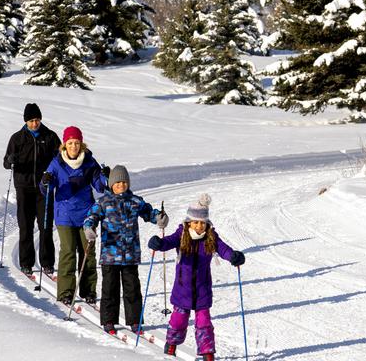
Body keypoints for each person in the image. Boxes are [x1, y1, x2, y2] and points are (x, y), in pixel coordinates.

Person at [148, 193, 245, 359]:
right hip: (182, 289)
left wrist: (233, 256)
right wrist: (159, 243)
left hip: (202, 290)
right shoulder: (181, 234)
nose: (199, 226)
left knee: (204, 323)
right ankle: (171, 343)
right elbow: (168, 241)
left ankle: (207, 353)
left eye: (202, 223)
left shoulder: (210, 236)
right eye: (195, 222)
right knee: (178, 321)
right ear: (188, 222)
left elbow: (223, 249)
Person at [84, 165, 169, 335]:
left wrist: (159, 217)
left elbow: (148, 213)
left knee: (132, 289)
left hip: (130, 254)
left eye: (124, 182)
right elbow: (91, 217)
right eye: (117, 182)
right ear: (111, 184)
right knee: (110, 289)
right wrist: (89, 228)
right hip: (110, 255)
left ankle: (135, 320)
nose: (121, 185)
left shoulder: (135, 201)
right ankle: (108, 320)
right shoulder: (103, 202)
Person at [40, 125, 106, 305]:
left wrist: (105, 177)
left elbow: (100, 187)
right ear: (64, 144)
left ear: (81, 144)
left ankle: (88, 291)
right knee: (68, 252)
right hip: (65, 215)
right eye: (70, 143)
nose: (74, 146)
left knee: (87, 254)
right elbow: (46, 188)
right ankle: (65, 292)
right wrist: (46, 182)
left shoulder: (90, 162)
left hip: (86, 214)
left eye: (77, 143)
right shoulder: (56, 163)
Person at [3, 103, 60, 277]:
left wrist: (52, 175)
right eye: (31, 120)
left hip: (44, 188)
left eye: (37, 120)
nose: (34, 123)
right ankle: (26, 263)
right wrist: (11, 159)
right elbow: (6, 162)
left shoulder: (50, 137)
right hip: (24, 188)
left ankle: (47, 262)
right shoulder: (17, 138)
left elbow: (60, 160)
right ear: (25, 121)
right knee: (25, 226)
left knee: (45, 226)